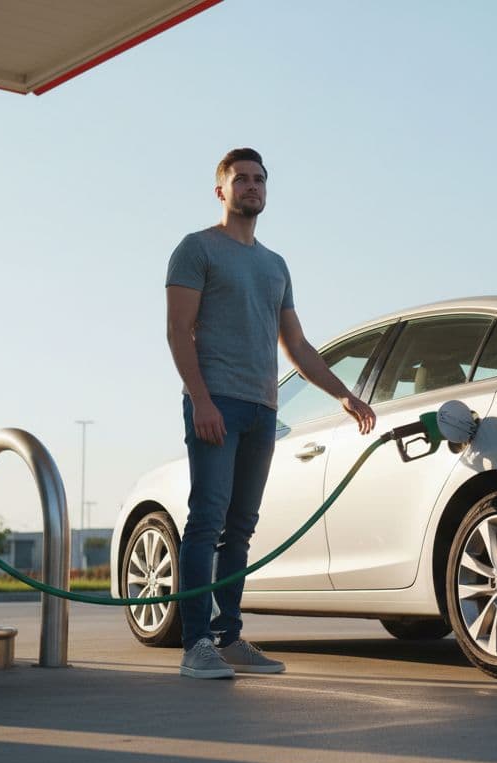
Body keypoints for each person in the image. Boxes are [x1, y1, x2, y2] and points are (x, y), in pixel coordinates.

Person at [165, 148, 376, 679]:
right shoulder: (196, 250)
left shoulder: (274, 264)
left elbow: (297, 345)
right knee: (206, 521)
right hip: (216, 404)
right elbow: (177, 331)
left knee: (240, 528)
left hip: (263, 409)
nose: (253, 187)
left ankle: (229, 637)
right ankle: (196, 646)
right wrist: (202, 400)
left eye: (260, 180)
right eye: (242, 179)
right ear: (221, 190)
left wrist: (342, 394)